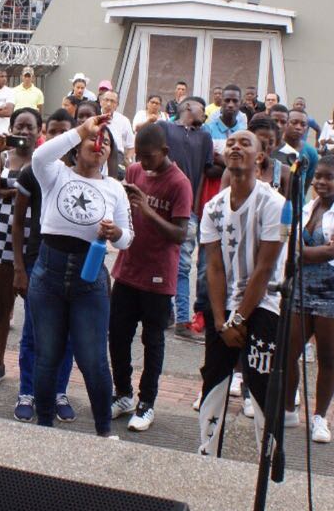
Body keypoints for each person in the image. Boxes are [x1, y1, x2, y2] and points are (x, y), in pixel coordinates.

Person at [26, 114, 133, 436]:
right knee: (47, 357)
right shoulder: (54, 174)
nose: (99, 145)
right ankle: (44, 427)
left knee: (94, 361)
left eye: (106, 143)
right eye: (93, 139)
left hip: (90, 280)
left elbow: (128, 239)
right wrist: (80, 130)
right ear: (77, 146)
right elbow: (39, 155)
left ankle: (102, 431)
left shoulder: (115, 188)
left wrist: (115, 233)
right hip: (48, 276)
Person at [196, 127, 285, 449]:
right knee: (214, 379)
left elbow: (264, 268)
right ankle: (206, 452)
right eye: (231, 143)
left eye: (245, 143)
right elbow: (214, 267)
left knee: (260, 383)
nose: (236, 147)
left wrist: (238, 320)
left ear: (259, 156)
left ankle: (270, 458)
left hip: (264, 305)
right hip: (224, 308)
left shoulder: (273, 203)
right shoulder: (213, 208)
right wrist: (221, 321)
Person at [109, 122, 192, 432]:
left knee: (152, 340)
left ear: (165, 152)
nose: (143, 163)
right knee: (117, 335)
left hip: (159, 275)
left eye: (149, 157)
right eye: (139, 156)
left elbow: (180, 234)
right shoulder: (133, 172)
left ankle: (147, 403)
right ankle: (123, 394)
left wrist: (147, 208)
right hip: (128, 268)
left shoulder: (179, 183)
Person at [284, 153, 334, 442]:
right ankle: (290, 407)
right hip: (302, 288)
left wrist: (300, 254)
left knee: (328, 356)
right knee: (289, 352)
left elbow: (333, 250)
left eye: (329, 177)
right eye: (318, 177)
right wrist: (302, 254)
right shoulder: (306, 208)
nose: (321, 182)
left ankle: (320, 417)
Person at [11, 110, 77, 421]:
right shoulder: (31, 172)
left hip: (72, 263)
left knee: (66, 332)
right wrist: (20, 268)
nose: (57, 138)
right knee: (34, 331)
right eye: (52, 132)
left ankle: (58, 391)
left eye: (64, 132)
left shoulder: (82, 172)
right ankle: (27, 391)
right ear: (45, 134)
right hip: (39, 258)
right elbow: (18, 222)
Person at [0, 107, 41, 386]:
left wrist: (10, 193)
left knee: (36, 310)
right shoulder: (2, 157)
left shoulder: (44, 161)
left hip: (34, 242)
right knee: (1, 307)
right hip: (0, 239)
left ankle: (33, 370)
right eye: (20, 126)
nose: (25, 132)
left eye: (30, 127)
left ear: (40, 131)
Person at [163, 96, 215, 340]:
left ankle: (183, 319)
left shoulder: (204, 136)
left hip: (188, 210)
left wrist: (194, 204)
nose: (204, 114)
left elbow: (205, 172)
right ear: (186, 107)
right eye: (201, 108)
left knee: (182, 264)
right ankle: (165, 312)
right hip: (163, 204)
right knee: (161, 259)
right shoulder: (165, 128)